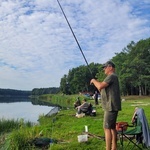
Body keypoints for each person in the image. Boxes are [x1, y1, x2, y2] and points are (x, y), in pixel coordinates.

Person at [90, 61, 121, 150]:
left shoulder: (111, 76)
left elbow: (100, 86)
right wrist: (98, 84)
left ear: (110, 67)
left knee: (106, 128)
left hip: (110, 107)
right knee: (112, 128)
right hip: (112, 106)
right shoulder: (113, 77)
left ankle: (108, 148)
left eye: (105, 67)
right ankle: (114, 147)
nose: (104, 69)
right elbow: (103, 89)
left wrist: (93, 80)